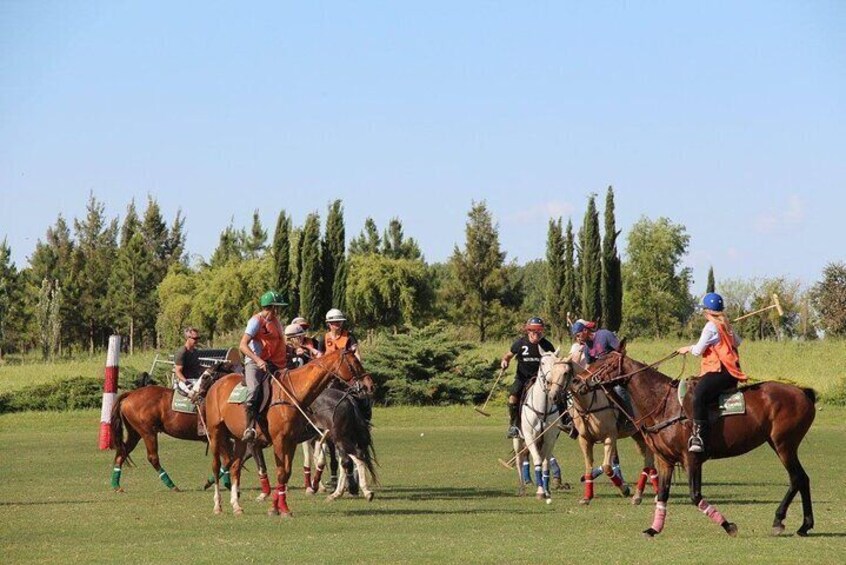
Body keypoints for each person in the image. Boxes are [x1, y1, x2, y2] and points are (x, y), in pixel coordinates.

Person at [676, 292, 746, 453]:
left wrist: (687, 348)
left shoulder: (711, 326)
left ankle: (698, 437)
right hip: (730, 372)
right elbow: (738, 342)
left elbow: (698, 350)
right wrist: (725, 329)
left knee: (698, 395)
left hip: (720, 371)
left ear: (706, 311)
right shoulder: (724, 325)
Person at [239, 290, 288, 442]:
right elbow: (242, 345)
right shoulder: (256, 321)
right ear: (271, 307)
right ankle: (249, 427)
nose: (279, 311)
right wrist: (258, 360)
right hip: (254, 362)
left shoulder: (276, 322)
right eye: (277, 307)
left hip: (272, 362)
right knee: (254, 389)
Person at [501, 317, 555, 439]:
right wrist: (505, 361)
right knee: (513, 396)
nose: (536, 333)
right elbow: (508, 355)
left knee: (558, 393)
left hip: (541, 380)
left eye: (539, 330)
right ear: (528, 331)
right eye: (533, 330)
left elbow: (554, 361)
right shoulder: (520, 343)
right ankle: (514, 425)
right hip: (523, 378)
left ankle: (565, 420)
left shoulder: (547, 345)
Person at [174, 327, 203, 396]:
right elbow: (177, 371)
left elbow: (198, 367)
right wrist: (186, 382)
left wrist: (211, 369)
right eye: (195, 338)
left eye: (198, 338)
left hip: (196, 380)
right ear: (187, 338)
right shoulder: (182, 352)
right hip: (185, 382)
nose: (197, 340)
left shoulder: (195, 351)